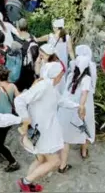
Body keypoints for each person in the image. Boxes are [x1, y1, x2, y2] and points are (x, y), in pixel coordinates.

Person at [14, 62, 78, 192]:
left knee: (41, 159)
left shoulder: (50, 87)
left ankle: (28, 186)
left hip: (43, 130)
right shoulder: (43, 86)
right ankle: (25, 182)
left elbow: (61, 101)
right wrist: (25, 118)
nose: (61, 77)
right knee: (55, 161)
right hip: (41, 131)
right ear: (56, 75)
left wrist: (78, 106)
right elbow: (19, 100)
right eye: (61, 74)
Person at [58, 55, 96, 172]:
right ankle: (84, 152)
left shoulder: (70, 75)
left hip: (66, 109)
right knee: (85, 129)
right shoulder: (87, 79)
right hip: (78, 109)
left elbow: (65, 92)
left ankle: (62, 165)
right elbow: (84, 94)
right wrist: (81, 108)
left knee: (65, 138)